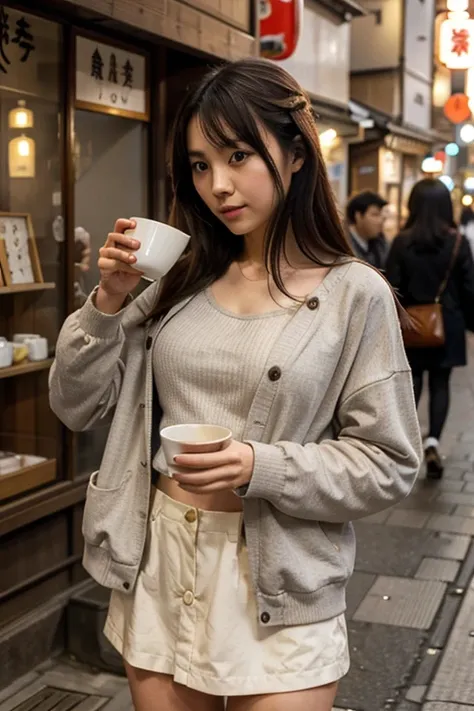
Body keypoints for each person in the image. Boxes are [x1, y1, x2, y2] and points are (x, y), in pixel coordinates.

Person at [49, 58, 421, 711]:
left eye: (239, 154)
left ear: (297, 153)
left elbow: (390, 462)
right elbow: (75, 405)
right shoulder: (175, 282)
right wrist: (105, 302)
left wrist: (262, 465)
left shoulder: (352, 295)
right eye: (199, 164)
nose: (218, 184)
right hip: (160, 561)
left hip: (282, 583)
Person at [386, 178, 474, 479]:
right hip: (447, 324)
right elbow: (469, 289)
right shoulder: (458, 242)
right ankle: (433, 441)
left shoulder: (401, 241)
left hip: (410, 323)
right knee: (441, 384)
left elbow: (390, 287)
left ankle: (408, 444)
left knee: (411, 384)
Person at [346, 191, 389, 269]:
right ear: (358, 216)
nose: (380, 221)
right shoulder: (343, 244)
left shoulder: (381, 243)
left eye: (381, 215)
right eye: (375, 215)